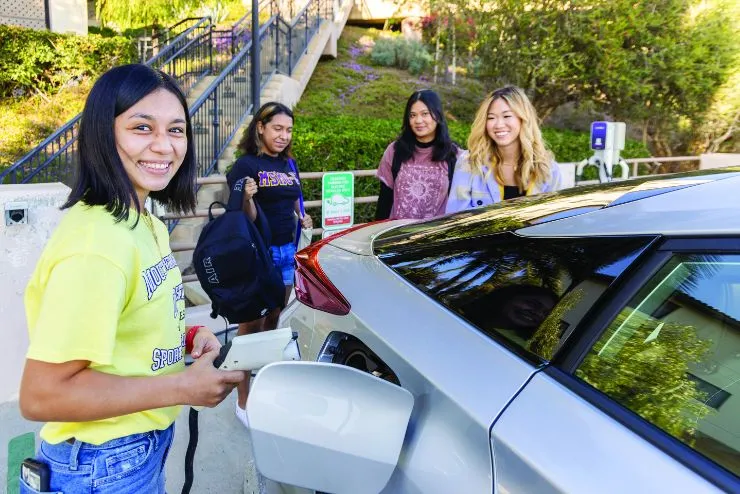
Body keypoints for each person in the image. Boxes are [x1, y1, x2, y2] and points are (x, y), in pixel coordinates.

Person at [18, 64, 245, 493]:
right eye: (142, 127)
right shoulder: (97, 246)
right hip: (100, 460)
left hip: (136, 447)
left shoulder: (145, 220)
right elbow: (41, 394)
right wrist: (182, 386)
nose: (164, 146)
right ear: (104, 133)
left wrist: (185, 337)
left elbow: (128, 318)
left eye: (176, 130)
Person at [226, 101, 312, 429]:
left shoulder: (289, 164)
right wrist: (247, 198)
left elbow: (292, 198)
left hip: (287, 250)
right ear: (260, 127)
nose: (283, 135)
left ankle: (262, 383)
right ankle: (243, 401)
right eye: (277, 128)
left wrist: (301, 216)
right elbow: (238, 216)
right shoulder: (244, 166)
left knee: (274, 318)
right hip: (257, 252)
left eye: (289, 130)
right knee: (249, 328)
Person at [445, 86, 562, 213]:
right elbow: (455, 220)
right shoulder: (469, 164)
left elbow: (555, 222)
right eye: (491, 118)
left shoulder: (548, 169)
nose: (499, 125)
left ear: (522, 119)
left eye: (507, 116)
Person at [375, 89, 460, 220]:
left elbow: (460, 204)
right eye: (412, 115)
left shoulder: (453, 155)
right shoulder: (395, 151)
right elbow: (385, 199)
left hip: (436, 235)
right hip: (398, 235)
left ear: (437, 115)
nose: (418, 120)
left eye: (425, 114)